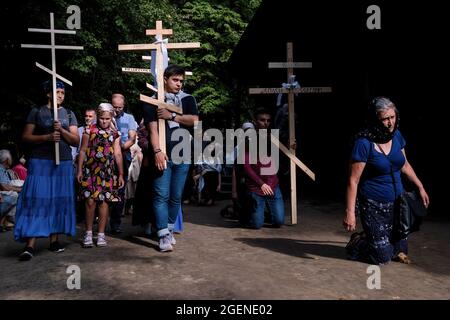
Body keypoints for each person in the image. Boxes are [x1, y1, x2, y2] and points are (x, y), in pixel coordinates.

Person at [343, 96, 430, 265]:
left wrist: (420, 186)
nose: (390, 122)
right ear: (376, 119)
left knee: (400, 250)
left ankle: (376, 239)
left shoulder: (396, 136)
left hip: (398, 202)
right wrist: (350, 212)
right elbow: (353, 180)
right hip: (373, 204)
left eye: (393, 117)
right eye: (385, 119)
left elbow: (404, 164)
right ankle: (358, 241)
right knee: (382, 257)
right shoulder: (364, 143)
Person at [14, 80, 79, 261]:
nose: (60, 95)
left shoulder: (69, 114)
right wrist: (47, 136)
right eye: (57, 91)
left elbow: (75, 140)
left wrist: (62, 132)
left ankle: (54, 240)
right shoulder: (37, 111)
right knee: (37, 199)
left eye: (62, 92)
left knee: (58, 199)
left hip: (63, 162)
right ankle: (30, 244)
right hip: (41, 161)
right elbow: (26, 136)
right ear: (48, 93)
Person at [147, 65, 199, 252]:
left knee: (176, 196)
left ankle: (169, 229)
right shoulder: (152, 101)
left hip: (183, 152)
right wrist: (157, 151)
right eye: (175, 80)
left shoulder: (187, 99)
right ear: (165, 79)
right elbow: (152, 129)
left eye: (181, 81)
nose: (179, 84)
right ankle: (161, 234)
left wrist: (173, 116)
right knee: (161, 194)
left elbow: (195, 120)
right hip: (164, 153)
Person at [77, 103, 124, 248]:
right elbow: (83, 150)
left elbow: (117, 153)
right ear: (98, 117)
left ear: (111, 118)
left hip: (107, 172)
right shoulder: (88, 130)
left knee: (104, 202)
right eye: (102, 118)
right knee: (90, 202)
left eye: (107, 119)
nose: (104, 121)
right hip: (90, 171)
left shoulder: (115, 133)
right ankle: (89, 233)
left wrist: (121, 173)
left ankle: (101, 234)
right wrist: (79, 170)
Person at [244, 109, 285, 229]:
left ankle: (262, 213)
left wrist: (291, 147)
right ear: (255, 122)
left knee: (279, 222)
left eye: (268, 120)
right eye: (262, 120)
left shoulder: (274, 139)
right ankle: (249, 213)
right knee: (256, 225)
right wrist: (261, 184)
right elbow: (247, 166)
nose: (266, 123)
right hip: (256, 187)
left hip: (273, 186)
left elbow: (285, 154)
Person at [109, 91, 138, 234]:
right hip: (106, 155)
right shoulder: (106, 116)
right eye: (115, 107)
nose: (117, 110)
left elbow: (132, 138)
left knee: (120, 189)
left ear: (123, 105)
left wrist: (120, 147)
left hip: (123, 153)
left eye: (119, 107)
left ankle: (115, 223)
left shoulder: (130, 118)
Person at [0, 149, 22, 231]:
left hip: (4, 193)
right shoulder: (0, 169)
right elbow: (4, 187)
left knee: (17, 193)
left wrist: (19, 189)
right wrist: (19, 189)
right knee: (14, 195)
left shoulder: (4, 170)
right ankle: (7, 220)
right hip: (3, 195)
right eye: (10, 158)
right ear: (7, 160)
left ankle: (6, 221)